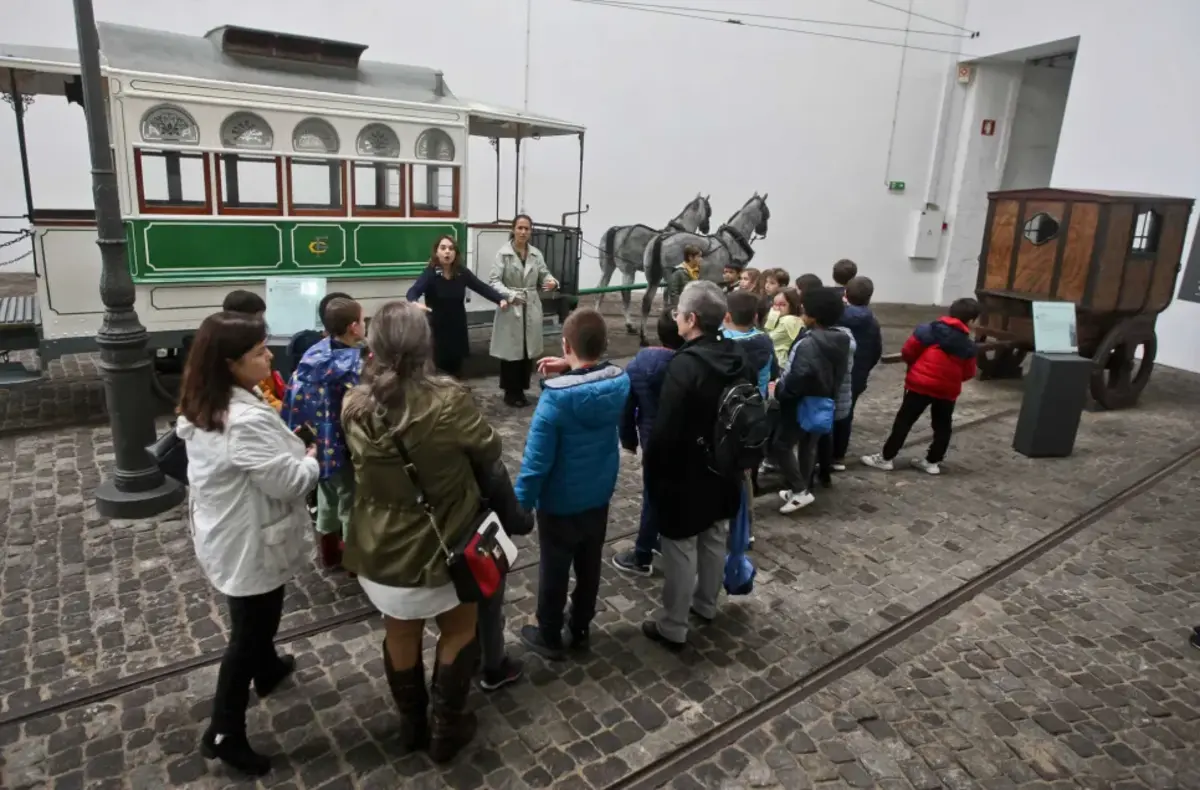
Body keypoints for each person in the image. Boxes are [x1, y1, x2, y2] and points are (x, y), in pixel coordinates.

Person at [340, 300, 503, 763]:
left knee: (400, 632)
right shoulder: (448, 401)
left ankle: (412, 724)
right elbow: (488, 447)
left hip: (382, 552)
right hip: (447, 545)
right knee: (457, 630)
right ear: (424, 345)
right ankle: (446, 729)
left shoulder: (353, 405)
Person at [177, 312, 320, 777]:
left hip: (232, 529)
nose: (270, 355)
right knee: (250, 628)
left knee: (261, 611)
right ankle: (224, 731)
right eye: (259, 352)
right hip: (247, 538)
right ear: (230, 364)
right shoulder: (241, 421)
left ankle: (268, 667)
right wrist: (313, 460)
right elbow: (287, 482)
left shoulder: (210, 398)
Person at [514, 308, 630, 660]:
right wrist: (574, 366)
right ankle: (580, 625)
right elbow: (592, 381)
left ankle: (549, 632)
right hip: (598, 495)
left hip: (560, 503)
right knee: (590, 562)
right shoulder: (619, 382)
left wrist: (519, 506)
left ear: (565, 344)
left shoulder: (556, 400)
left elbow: (536, 463)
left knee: (554, 567)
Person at [642, 280, 752, 651]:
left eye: (678, 313)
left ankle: (673, 625)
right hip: (725, 469)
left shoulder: (685, 365)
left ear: (690, 319)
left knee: (681, 547)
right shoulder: (738, 353)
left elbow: (666, 429)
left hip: (686, 473)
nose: (675, 318)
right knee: (714, 537)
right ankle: (706, 604)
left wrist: (654, 473)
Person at [284, 297, 365, 570]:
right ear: (354, 327)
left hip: (315, 440)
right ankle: (354, 560)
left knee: (326, 494)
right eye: (363, 320)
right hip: (343, 443)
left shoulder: (314, 354)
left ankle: (328, 553)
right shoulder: (352, 365)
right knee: (351, 500)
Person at [863, 298, 980, 476]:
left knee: (904, 421)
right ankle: (932, 461)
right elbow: (969, 372)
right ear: (971, 321)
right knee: (942, 426)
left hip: (920, 384)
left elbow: (909, 351)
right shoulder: (968, 346)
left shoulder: (928, 331)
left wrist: (917, 366)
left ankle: (886, 458)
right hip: (947, 391)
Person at [613, 310, 685, 576]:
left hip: (651, 439)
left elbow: (626, 406)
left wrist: (628, 441)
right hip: (682, 438)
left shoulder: (638, 364)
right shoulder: (687, 364)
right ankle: (660, 541)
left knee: (652, 496)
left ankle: (642, 554)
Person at [769, 287, 850, 514]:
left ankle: (799, 490)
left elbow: (797, 378)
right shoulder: (841, 340)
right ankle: (802, 486)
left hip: (800, 403)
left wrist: (779, 392)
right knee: (808, 445)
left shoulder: (809, 343)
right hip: (822, 401)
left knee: (781, 445)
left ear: (813, 316)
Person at [407, 234, 509, 377]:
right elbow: (413, 291)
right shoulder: (430, 273)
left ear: (456, 253)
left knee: (456, 372)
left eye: (451, 248)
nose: (447, 252)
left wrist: (500, 299)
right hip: (437, 330)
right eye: (443, 248)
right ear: (437, 252)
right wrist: (414, 303)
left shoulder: (461, 272)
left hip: (457, 329)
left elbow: (480, 287)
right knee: (438, 372)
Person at [488, 214, 559, 407]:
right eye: (519, 228)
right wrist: (510, 295)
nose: (523, 232)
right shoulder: (503, 254)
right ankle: (510, 392)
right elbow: (494, 281)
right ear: (513, 229)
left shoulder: (536, 254)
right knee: (511, 351)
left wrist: (551, 282)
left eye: (527, 228)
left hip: (531, 305)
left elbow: (544, 274)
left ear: (531, 231)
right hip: (511, 307)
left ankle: (522, 389)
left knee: (527, 350)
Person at [831, 276, 883, 469]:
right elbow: (876, 351)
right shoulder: (872, 322)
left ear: (845, 294)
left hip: (835, 373)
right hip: (856, 375)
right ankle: (838, 457)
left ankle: (821, 454)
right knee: (846, 413)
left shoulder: (835, 317)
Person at [221, 290, 286, 410]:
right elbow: (264, 396)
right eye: (259, 317)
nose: (270, 355)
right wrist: (285, 409)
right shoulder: (241, 348)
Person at [768, 288, 805, 367]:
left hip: (780, 364)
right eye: (775, 304)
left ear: (792, 305)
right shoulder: (779, 318)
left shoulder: (789, 320)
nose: (777, 308)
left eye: (782, 305)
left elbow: (768, 339)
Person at [665, 244, 703, 311]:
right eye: (698, 257)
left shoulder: (699, 271)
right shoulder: (678, 272)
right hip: (683, 309)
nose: (701, 259)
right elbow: (674, 294)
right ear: (690, 257)